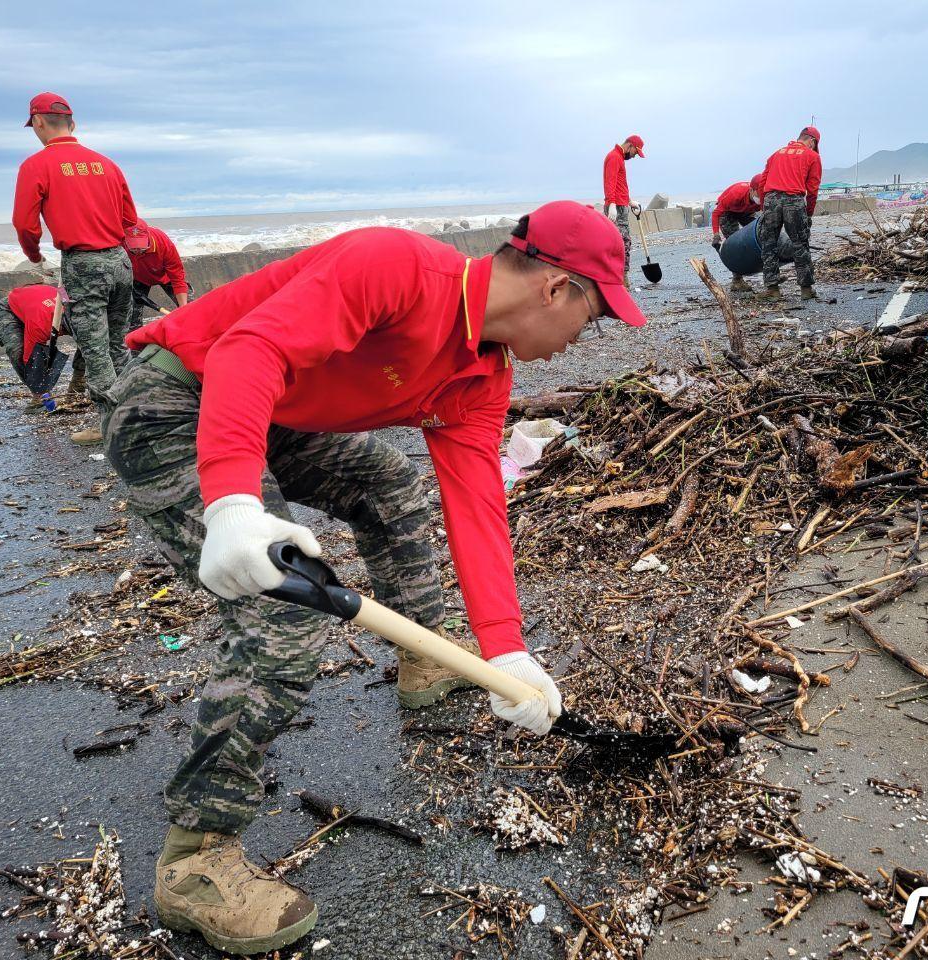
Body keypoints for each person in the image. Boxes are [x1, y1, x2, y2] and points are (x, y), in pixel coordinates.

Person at [102, 200, 646, 955]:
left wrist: (504, 648)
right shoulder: (395, 268)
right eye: (592, 318)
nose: (584, 338)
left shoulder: (481, 374)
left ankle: (427, 657)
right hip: (174, 398)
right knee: (284, 608)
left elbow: (478, 503)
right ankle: (195, 860)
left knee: (391, 486)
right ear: (556, 289)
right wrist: (232, 501)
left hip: (278, 417)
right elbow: (246, 350)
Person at [12, 92, 138, 445]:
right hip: (120, 261)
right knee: (118, 346)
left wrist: (35, 257)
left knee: (95, 349)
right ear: (73, 123)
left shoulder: (37, 165)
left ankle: (111, 426)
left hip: (83, 264)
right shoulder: (107, 164)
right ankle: (135, 414)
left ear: (37, 122)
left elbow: (25, 224)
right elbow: (131, 220)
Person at [757, 125, 822, 301]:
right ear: (812, 141)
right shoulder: (813, 156)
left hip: (772, 200)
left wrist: (764, 206)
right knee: (800, 244)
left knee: (769, 244)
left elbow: (762, 183)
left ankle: (773, 290)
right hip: (794, 201)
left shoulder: (776, 154)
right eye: (815, 145)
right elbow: (813, 189)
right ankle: (806, 290)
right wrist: (808, 214)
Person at [0, 283, 63, 403]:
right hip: (10, 307)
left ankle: (77, 381)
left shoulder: (72, 304)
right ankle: (38, 396)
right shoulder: (41, 324)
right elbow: (30, 359)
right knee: (17, 350)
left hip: (34, 300)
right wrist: (41, 389)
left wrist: (78, 380)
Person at [124, 220, 191, 331]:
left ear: (148, 237)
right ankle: (136, 342)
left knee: (190, 308)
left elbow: (177, 278)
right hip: (138, 277)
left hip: (165, 276)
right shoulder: (120, 242)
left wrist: (184, 308)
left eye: (140, 247)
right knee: (131, 318)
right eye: (133, 247)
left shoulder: (164, 244)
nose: (137, 251)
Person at [710, 172, 766, 292]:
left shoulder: (764, 197)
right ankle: (737, 281)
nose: (761, 198)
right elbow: (716, 213)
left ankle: (770, 274)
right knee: (735, 245)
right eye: (759, 194)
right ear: (752, 190)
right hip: (728, 211)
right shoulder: (736, 194)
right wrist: (716, 235)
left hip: (746, 211)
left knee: (763, 234)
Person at [602, 134, 645, 279]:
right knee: (621, 243)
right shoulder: (614, 157)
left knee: (621, 242)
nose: (634, 156)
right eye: (635, 152)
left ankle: (620, 277)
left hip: (621, 204)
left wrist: (630, 201)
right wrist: (612, 203)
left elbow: (620, 186)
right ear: (630, 145)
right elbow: (610, 182)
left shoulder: (619, 157)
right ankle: (621, 279)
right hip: (616, 207)